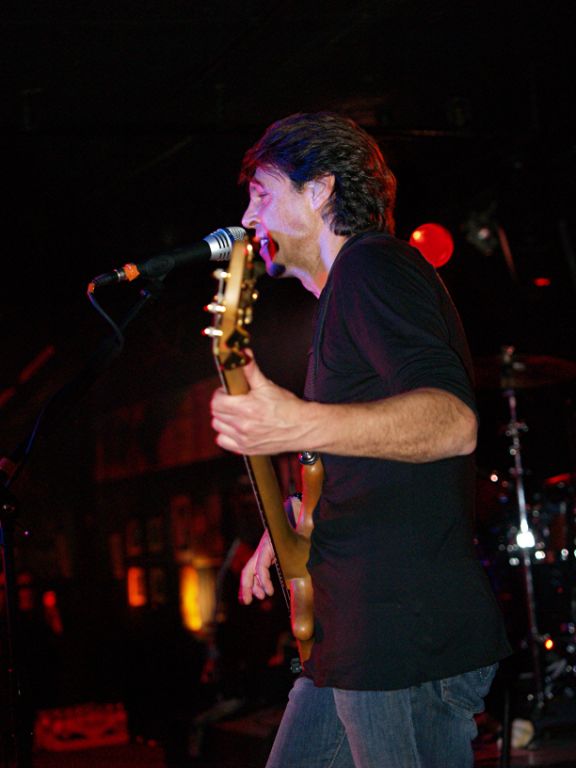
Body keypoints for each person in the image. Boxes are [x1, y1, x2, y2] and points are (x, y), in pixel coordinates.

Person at [210, 112, 511, 768]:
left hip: (402, 635)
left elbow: (452, 422)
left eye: (262, 192)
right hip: (355, 639)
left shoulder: (374, 267)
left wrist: (297, 422)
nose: (248, 214)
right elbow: (378, 461)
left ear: (319, 191)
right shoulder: (343, 298)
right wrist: (296, 523)